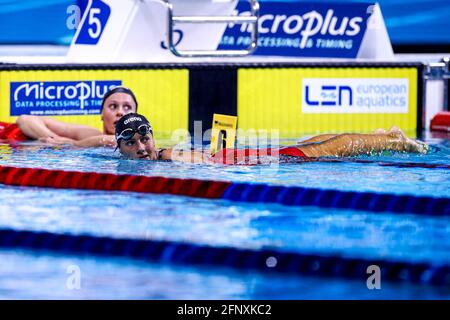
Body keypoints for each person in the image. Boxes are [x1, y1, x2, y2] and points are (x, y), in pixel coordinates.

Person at [114, 113, 429, 164]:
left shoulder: (166, 156)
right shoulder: (163, 157)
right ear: (120, 146)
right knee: (313, 143)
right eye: (132, 143)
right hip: (253, 155)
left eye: (145, 139)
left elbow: (206, 163)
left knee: (334, 149)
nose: (142, 147)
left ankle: (396, 142)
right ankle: (384, 135)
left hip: (258, 159)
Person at [14, 86, 138, 147]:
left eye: (127, 107)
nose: (120, 112)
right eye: (113, 106)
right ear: (102, 113)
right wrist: (55, 140)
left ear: (136, 116)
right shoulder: (89, 135)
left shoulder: (142, 142)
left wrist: (72, 144)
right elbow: (25, 120)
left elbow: (117, 141)